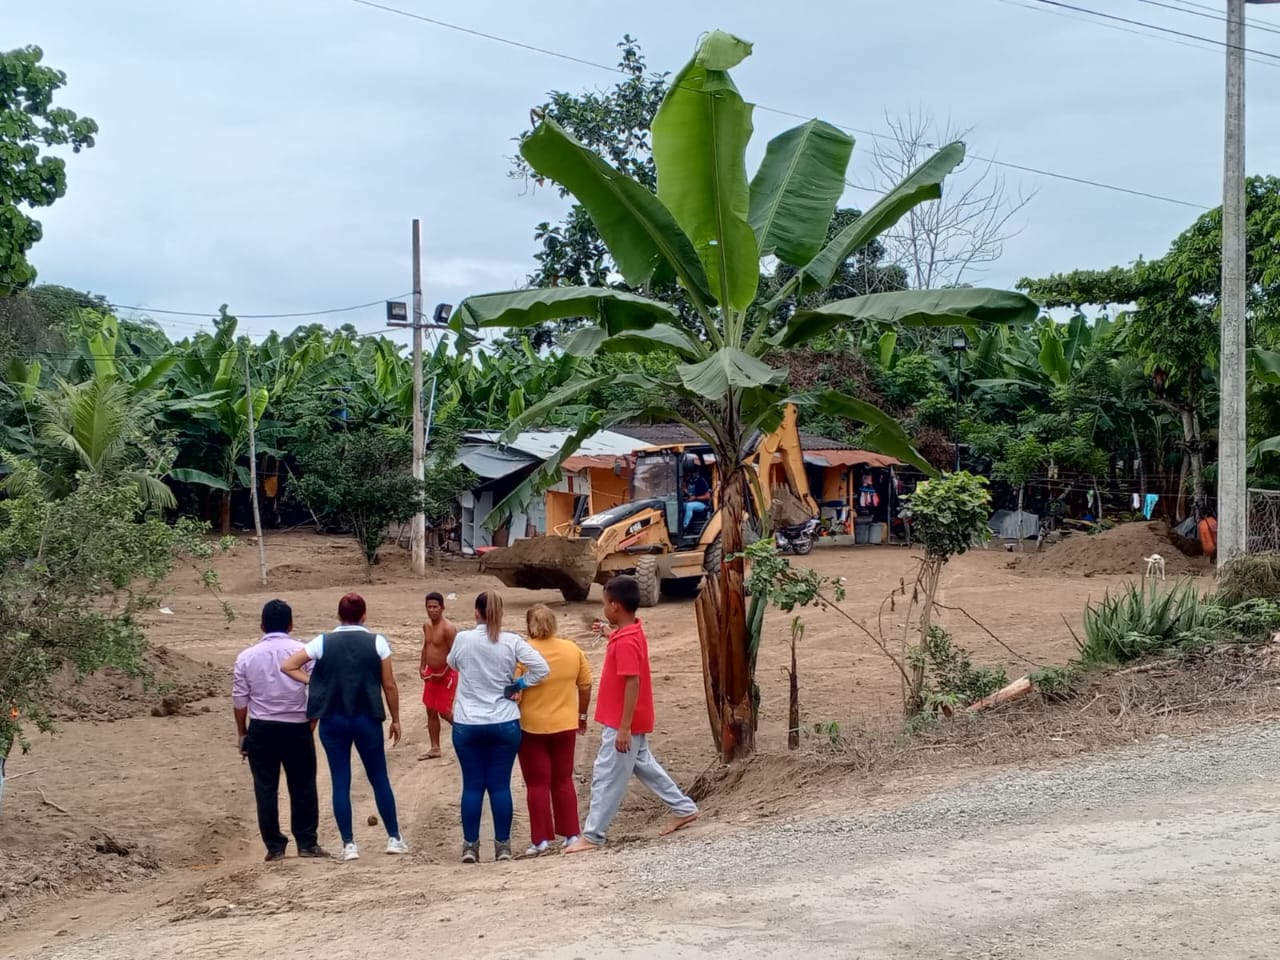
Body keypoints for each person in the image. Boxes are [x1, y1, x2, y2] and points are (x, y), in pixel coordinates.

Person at [565, 575, 698, 854]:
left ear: (615, 605)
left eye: (605, 603)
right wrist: (609, 633)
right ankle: (684, 808)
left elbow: (632, 681)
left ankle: (593, 835)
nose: (604, 608)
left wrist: (624, 727)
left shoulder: (626, 641)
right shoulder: (632, 631)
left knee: (606, 776)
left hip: (621, 722)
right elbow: (628, 655)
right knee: (645, 766)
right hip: (629, 720)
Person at [281, 592, 408, 862]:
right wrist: (395, 718)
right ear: (364, 615)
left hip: (333, 719)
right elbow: (389, 685)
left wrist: (316, 682)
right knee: (379, 778)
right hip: (367, 717)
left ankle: (349, 844)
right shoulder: (377, 642)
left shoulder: (322, 642)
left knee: (341, 781)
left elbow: (288, 665)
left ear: (339, 615)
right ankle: (394, 837)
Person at [447, 590, 549, 864]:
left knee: (472, 786)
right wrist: (519, 684)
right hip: (504, 721)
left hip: (468, 722)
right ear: (501, 614)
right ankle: (503, 846)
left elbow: (452, 663)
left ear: (476, 612)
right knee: (500, 786)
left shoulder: (463, 639)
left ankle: (470, 846)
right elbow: (542, 668)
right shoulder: (512, 641)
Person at [232, 599, 324, 861]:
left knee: (265, 788)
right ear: (291, 624)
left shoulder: (246, 657)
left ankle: (274, 847)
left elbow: (240, 699)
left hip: (262, 728)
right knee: (303, 785)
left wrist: (242, 733)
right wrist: (311, 723)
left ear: (262, 625)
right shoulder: (303, 652)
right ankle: (306, 843)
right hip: (297, 726)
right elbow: (316, 690)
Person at [515, 604, 593, 856]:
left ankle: (540, 840)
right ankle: (571, 833)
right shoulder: (572, 649)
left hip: (531, 727)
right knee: (563, 779)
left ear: (530, 626)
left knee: (537, 784)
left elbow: (515, 690)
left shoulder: (523, 653)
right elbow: (585, 685)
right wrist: (581, 715)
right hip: (565, 724)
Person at [418, 591, 458, 761]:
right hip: (431, 674)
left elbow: (455, 654)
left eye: (435, 607)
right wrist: (422, 667)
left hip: (447, 674)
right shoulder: (426, 626)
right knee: (430, 709)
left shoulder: (448, 628)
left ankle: (469, 735)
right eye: (429, 607)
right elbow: (426, 647)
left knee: (445, 712)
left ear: (442, 608)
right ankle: (435, 747)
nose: (432, 610)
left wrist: (444, 672)